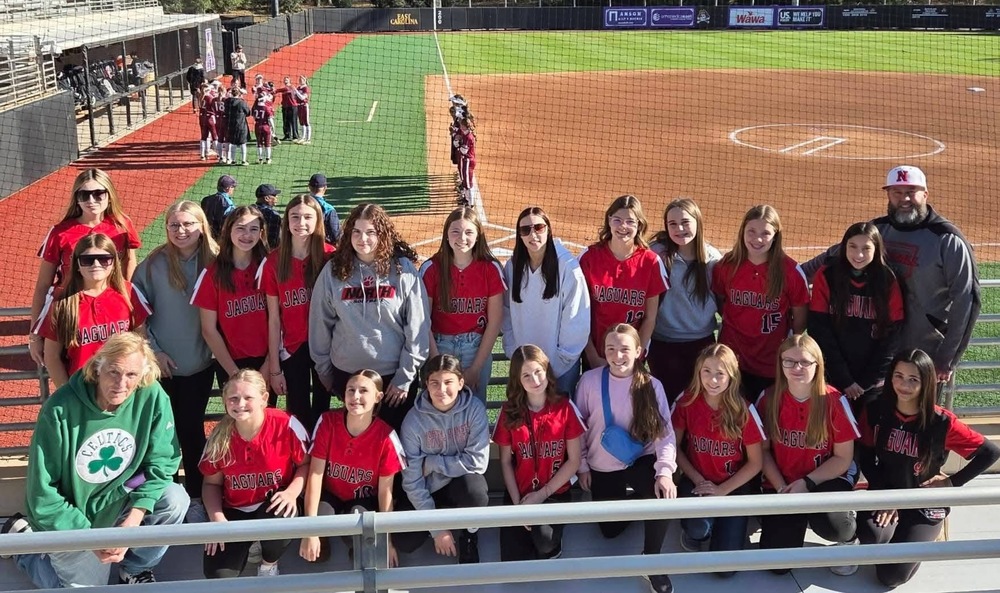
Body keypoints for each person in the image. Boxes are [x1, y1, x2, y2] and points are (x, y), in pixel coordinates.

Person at [4, 333, 188, 588]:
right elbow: (42, 494)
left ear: (142, 374)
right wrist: (91, 537)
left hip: (121, 498)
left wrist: (133, 520)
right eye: (114, 372)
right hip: (77, 517)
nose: (121, 384)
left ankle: (134, 569)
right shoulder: (60, 409)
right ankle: (27, 549)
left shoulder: (153, 396)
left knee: (175, 499)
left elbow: (163, 463)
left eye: (131, 375)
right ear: (98, 367)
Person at [802, 166, 980, 384]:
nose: (904, 198)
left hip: (922, 353)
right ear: (888, 195)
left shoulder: (948, 240)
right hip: (874, 354)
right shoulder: (877, 231)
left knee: (917, 415)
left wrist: (947, 358)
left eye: (911, 191)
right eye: (897, 192)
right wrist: (790, 276)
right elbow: (830, 258)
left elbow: (966, 301)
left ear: (925, 194)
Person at [857, 349, 1000, 587]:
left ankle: (923, 533)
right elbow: (866, 453)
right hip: (887, 491)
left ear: (927, 382)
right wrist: (885, 494)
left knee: (890, 577)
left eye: (914, 379)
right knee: (872, 536)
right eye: (898, 376)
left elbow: (990, 453)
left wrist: (951, 483)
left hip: (924, 499)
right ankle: (898, 534)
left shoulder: (941, 422)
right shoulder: (876, 409)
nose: (903, 385)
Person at [309, 203, 430, 431]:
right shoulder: (334, 270)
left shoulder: (401, 270)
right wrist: (324, 369)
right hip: (348, 377)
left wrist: (404, 377)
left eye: (370, 232)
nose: (362, 238)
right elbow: (320, 322)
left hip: (393, 380)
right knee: (354, 446)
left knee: (392, 450)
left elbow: (417, 327)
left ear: (382, 234)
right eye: (356, 231)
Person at [575, 324, 677, 593]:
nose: (617, 355)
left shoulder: (652, 386)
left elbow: (664, 435)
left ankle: (652, 560)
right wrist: (583, 465)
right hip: (603, 463)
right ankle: (639, 504)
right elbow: (579, 429)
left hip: (639, 458)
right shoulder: (589, 382)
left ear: (638, 352)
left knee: (662, 497)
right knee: (610, 530)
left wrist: (664, 472)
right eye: (610, 349)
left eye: (624, 349)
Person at [132, 202, 219, 508]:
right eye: (174, 225)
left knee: (191, 428)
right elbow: (137, 311)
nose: (181, 231)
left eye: (188, 224)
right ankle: (165, 496)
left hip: (201, 364)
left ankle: (196, 497)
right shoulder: (154, 263)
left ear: (201, 226)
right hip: (162, 366)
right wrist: (154, 353)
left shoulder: (217, 260)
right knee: (161, 433)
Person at [757, 334, 860, 576]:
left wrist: (808, 483)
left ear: (818, 364)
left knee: (836, 526)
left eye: (805, 362)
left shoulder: (833, 400)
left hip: (824, 480)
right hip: (785, 483)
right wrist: (782, 488)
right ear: (780, 364)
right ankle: (793, 520)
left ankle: (848, 537)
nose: (797, 368)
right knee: (777, 568)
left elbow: (843, 458)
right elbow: (762, 452)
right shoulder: (769, 398)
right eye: (789, 361)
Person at [200, 369, 309, 579]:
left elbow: (306, 464)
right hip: (236, 509)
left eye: (248, 397)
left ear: (264, 398)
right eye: (233, 398)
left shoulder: (285, 423)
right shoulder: (219, 436)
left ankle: (269, 563)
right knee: (218, 576)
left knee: (281, 513)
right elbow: (211, 484)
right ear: (224, 401)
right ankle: (251, 543)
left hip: (272, 504)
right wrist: (217, 519)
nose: (240, 404)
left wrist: (292, 493)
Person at [29, 168, 140, 366]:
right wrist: (35, 336)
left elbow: (130, 260)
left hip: (109, 310)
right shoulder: (60, 232)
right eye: (84, 194)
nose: (92, 200)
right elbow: (43, 285)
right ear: (76, 198)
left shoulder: (122, 224)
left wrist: (123, 293)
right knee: (73, 367)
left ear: (109, 194)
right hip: (71, 310)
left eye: (98, 193)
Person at [671, 344, 763, 570]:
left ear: (732, 375)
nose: (713, 380)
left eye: (720, 373)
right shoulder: (687, 400)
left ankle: (729, 526)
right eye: (707, 372)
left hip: (733, 484)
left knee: (725, 570)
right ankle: (699, 527)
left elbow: (756, 462)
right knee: (698, 529)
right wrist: (696, 479)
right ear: (698, 372)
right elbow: (674, 446)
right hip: (697, 479)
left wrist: (723, 490)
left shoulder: (743, 409)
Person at [300, 369, 406, 566]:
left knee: (361, 524)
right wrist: (310, 531)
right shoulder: (327, 422)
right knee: (320, 522)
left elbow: (386, 492)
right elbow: (315, 475)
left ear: (378, 397)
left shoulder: (386, 436)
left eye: (364, 391)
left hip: (363, 500)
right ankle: (322, 543)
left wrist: (387, 540)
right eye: (351, 390)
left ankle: (355, 548)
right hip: (332, 495)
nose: (355, 397)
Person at [395, 355, 490, 564]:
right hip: (429, 488)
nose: (442, 390)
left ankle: (469, 534)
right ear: (426, 385)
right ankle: (438, 526)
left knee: (475, 491)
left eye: (448, 382)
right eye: (434, 383)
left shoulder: (474, 410)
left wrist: (432, 463)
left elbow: (478, 463)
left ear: (460, 383)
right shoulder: (413, 421)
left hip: (458, 485)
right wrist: (437, 529)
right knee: (404, 541)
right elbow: (412, 482)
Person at [494, 345, 585, 561]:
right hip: (521, 492)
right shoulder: (509, 411)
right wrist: (518, 507)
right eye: (526, 375)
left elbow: (574, 461)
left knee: (545, 543)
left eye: (538, 372)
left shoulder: (564, 407)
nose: (534, 380)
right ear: (517, 380)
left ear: (547, 371)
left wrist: (541, 495)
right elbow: (506, 462)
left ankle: (554, 541)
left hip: (554, 492)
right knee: (514, 561)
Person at [712, 205, 810, 403]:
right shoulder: (726, 265)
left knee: (766, 419)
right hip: (731, 358)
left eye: (766, 233)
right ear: (742, 232)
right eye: (751, 231)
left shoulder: (790, 271)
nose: (757, 239)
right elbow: (721, 302)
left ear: (776, 235)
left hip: (770, 362)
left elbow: (800, 318)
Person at [808, 222, 904, 413]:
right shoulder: (827, 274)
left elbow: (892, 335)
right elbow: (819, 329)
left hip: (871, 380)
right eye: (852, 246)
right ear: (844, 247)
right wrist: (844, 379)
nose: (858, 255)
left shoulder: (887, 278)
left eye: (866, 248)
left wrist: (865, 382)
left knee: (867, 436)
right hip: (832, 374)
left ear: (876, 250)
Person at [33, 235, 151, 388]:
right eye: (87, 260)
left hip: (124, 386)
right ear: (76, 264)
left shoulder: (129, 293)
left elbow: (142, 342)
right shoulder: (62, 303)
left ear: (114, 262)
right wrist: (69, 393)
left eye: (104, 259)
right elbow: (52, 356)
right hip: (83, 388)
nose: (96, 264)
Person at [261, 195, 335, 431]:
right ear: (287, 221)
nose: (301, 222)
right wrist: (274, 369)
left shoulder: (330, 256)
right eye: (295, 216)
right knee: (299, 413)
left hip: (327, 347)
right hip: (292, 348)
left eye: (307, 217)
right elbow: (273, 319)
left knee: (324, 411)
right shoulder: (274, 261)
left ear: (318, 221)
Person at [502, 206, 590, 396]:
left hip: (560, 369)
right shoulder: (513, 266)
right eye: (525, 230)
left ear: (548, 229)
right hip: (525, 368)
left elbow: (576, 317)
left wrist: (559, 362)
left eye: (539, 227)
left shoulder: (567, 266)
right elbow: (506, 310)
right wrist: (513, 351)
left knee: (561, 422)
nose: (532, 234)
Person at [420, 207, 504, 403]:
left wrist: (475, 368)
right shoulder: (431, 268)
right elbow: (423, 319)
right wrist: (436, 361)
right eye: (455, 231)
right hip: (439, 345)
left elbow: (495, 320)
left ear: (478, 236)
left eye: (469, 232)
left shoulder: (490, 269)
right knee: (437, 407)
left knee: (474, 408)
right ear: (446, 235)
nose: (462, 238)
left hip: (475, 348)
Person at [578, 195, 668, 371]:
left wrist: (636, 357)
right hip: (596, 355)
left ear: (639, 225)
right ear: (609, 221)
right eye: (617, 220)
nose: (623, 227)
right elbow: (579, 315)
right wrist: (592, 356)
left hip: (631, 358)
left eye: (630, 221)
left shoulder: (650, 262)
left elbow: (650, 318)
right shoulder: (590, 257)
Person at [649, 198, 722, 404]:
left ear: (698, 222)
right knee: (668, 403)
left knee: (700, 401)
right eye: (672, 224)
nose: (679, 228)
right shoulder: (657, 255)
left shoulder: (712, 260)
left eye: (685, 222)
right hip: (663, 344)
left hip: (702, 345)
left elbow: (723, 301)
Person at [192, 206, 270, 380]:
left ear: (261, 233)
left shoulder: (269, 268)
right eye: (240, 228)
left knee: (267, 408)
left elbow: (279, 321)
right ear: (228, 230)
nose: (247, 235)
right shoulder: (213, 273)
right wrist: (235, 374)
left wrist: (269, 364)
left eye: (254, 229)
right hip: (230, 363)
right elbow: (208, 330)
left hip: (267, 360)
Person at [201, 174, 238, 241]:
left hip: (206, 235)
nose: (234, 189)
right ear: (228, 188)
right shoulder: (229, 204)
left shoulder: (206, 199)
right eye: (233, 187)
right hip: (221, 238)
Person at [308, 173, 342, 244]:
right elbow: (335, 235)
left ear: (309, 187)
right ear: (325, 188)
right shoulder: (329, 209)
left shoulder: (300, 204)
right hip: (321, 247)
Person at [225, 87, 251, 166]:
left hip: (230, 125)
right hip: (241, 125)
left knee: (233, 143)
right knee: (243, 143)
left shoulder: (227, 102)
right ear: (239, 93)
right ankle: (243, 161)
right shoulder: (241, 102)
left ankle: (233, 160)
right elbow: (248, 113)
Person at [455, 115, 476, 206]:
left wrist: (458, 145)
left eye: (461, 125)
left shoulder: (469, 137)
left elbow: (464, 150)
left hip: (468, 161)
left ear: (465, 126)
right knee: (465, 182)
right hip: (465, 160)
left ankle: (470, 204)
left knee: (468, 184)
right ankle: (466, 200)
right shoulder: (464, 134)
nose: (460, 127)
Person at [254, 184, 283, 249]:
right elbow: (276, 239)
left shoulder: (250, 210)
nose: (277, 197)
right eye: (274, 195)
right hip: (267, 251)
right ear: (267, 198)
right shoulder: (273, 215)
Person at [251, 95, 274, 164]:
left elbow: (254, 117)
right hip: (265, 126)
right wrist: (273, 128)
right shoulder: (266, 108)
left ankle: (260, 159)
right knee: (267, 144)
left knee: (259, 143)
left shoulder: (255, 107)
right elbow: (270, 119)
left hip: (258, 126)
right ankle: (268, 159)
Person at [198, 81, 218, 161]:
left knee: (203, 137)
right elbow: (214, 109)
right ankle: (218, 154)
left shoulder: (200, 97)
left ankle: (203, 155)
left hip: (202, 118)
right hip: (210, 118)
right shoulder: (210, 98)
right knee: (215, 137)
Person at [279, 76, 300, 142]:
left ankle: (295, 136)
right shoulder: (284, 88)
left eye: (287, 80)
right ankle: (287, 135)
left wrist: (274, 90)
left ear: (289, 81)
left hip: (293, 107)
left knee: (293, 121)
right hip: (285, 107)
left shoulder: (291, 87)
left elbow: (285, 90)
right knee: (285, 121)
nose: (285, 81)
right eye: (284, 79)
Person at [295, 75, 312, 144]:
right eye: (300, 79)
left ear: (305, 80)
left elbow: (302, 98)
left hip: (304, 106)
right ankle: (303, 137)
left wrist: (296, 91)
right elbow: (295, 97)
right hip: (299, 106)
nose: (300, 80)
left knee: (306, 122)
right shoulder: (299, 87)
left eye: (302, 79)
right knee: (301, 122)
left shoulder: (306, 88)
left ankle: (308, 139)